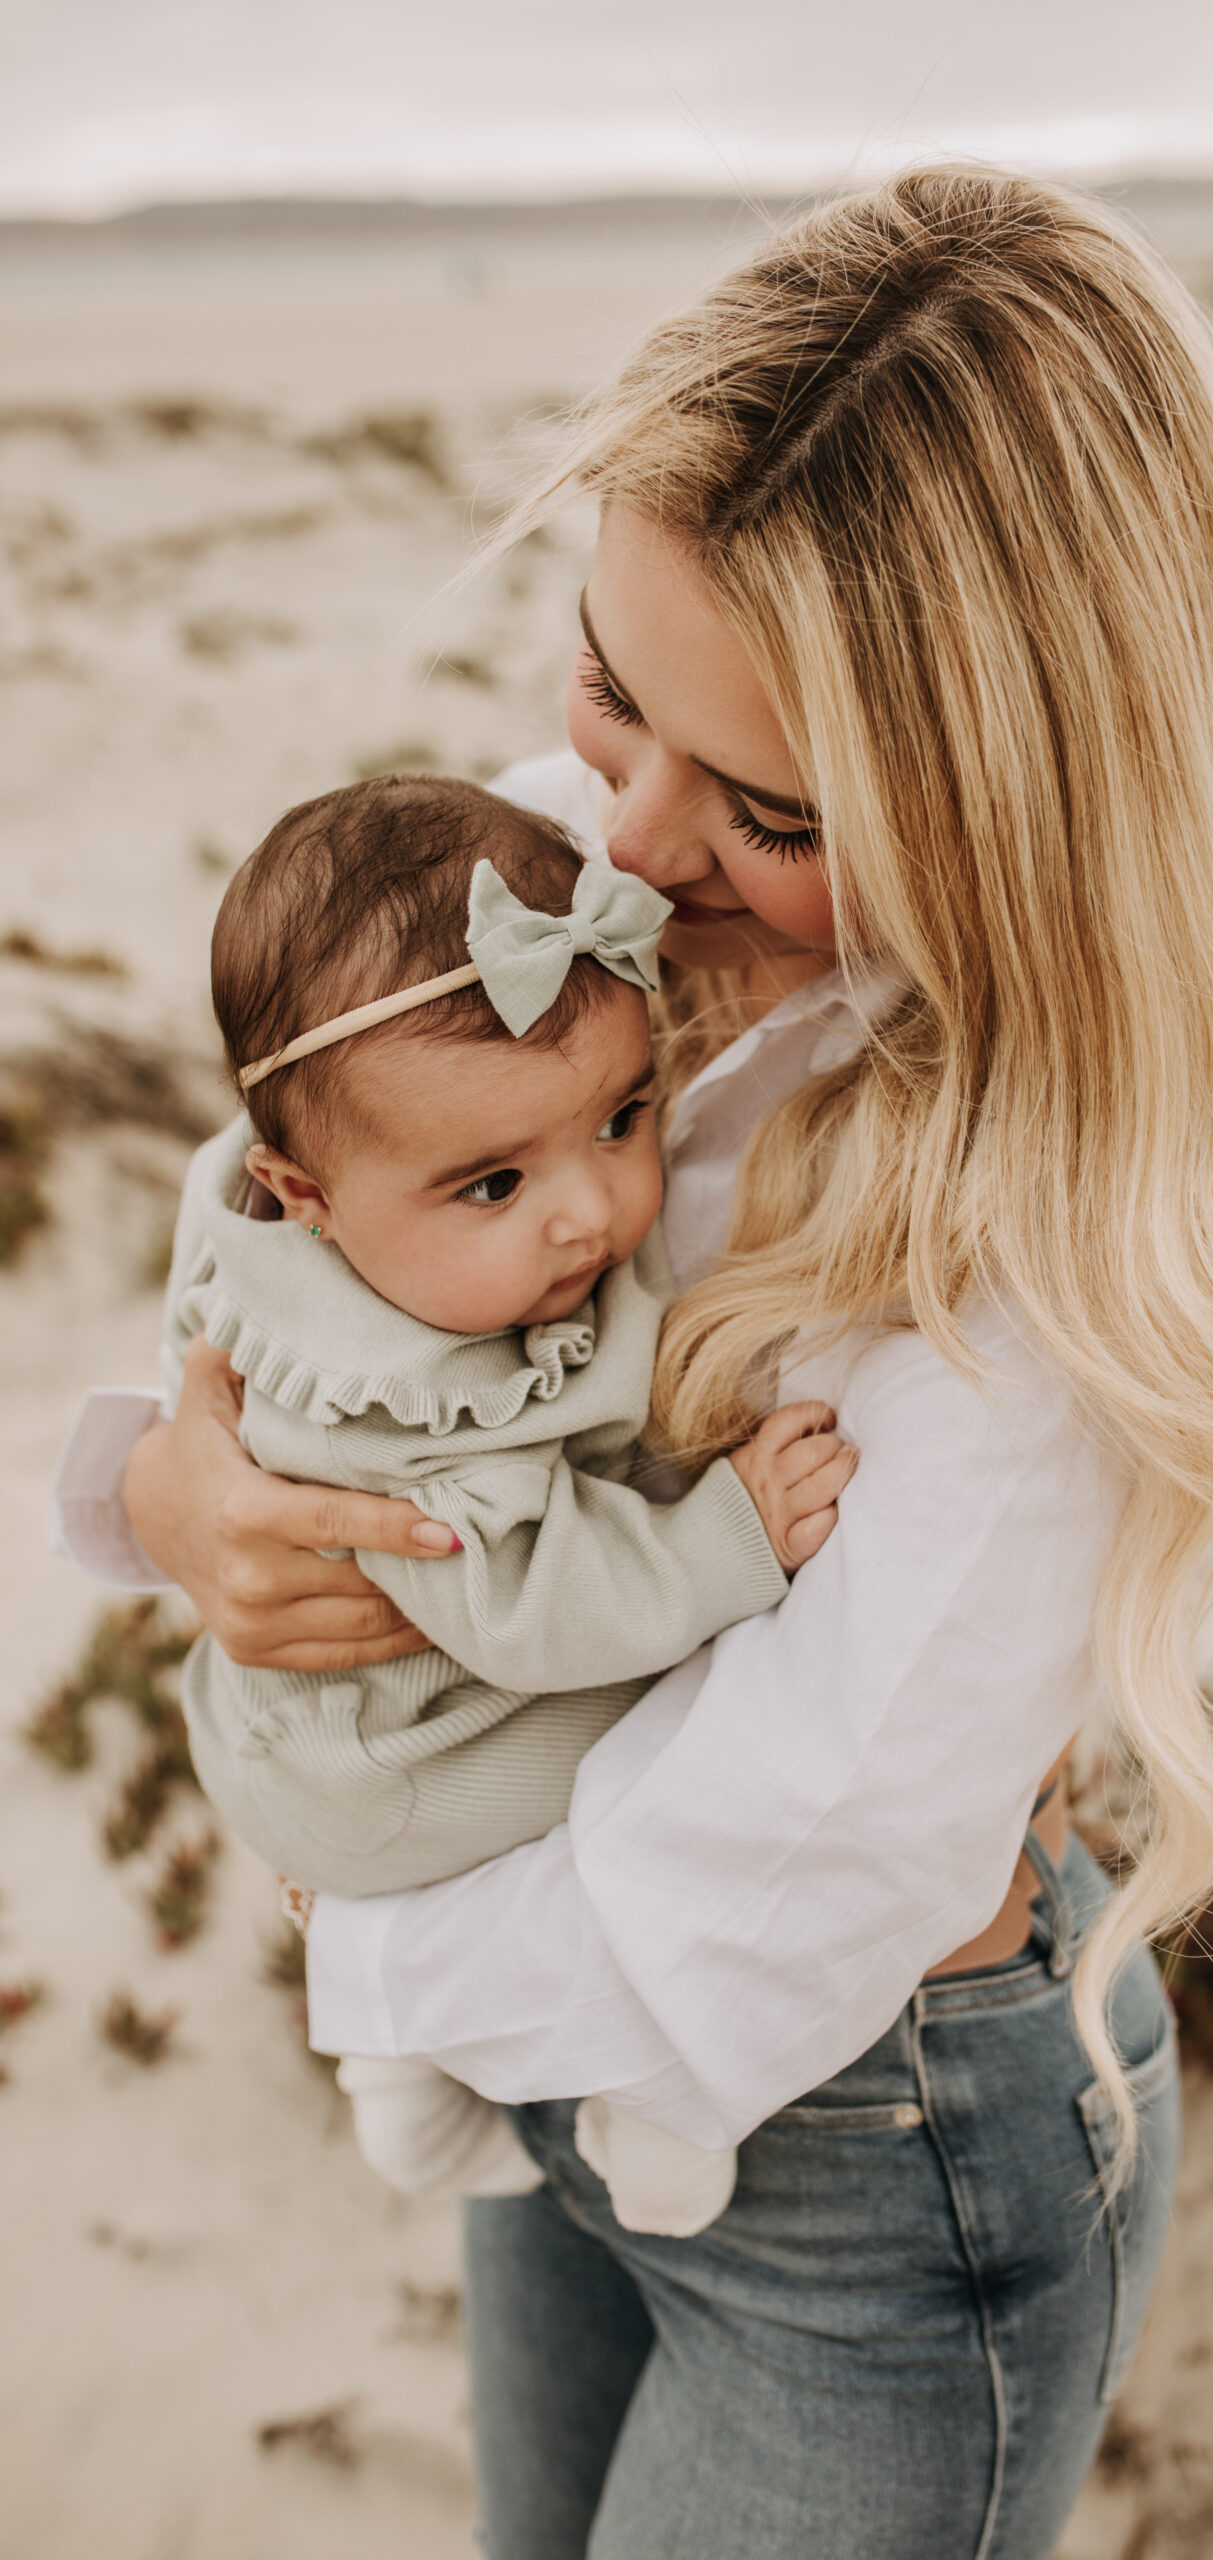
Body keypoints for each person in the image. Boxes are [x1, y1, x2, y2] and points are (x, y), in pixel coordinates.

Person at [58, 166, 1213, 2557]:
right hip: (543, 2050)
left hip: (861, 2154)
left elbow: (808, 1831)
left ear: (1017, 818)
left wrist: (374, 1930)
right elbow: (300, 1157)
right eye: (603, 682)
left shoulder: (1036, 1208)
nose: (619, 833)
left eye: (769, 809)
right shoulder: (609, 849)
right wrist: (170, 1489)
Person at [166, 772, 851, 2224]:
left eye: (622, 1118)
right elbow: (541, 1607)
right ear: (306, 1196)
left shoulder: (329, 1224)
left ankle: (396, 2070)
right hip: (407, 1758)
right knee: (661, 1727)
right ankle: (642, 2090)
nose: (587, 1211)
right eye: (492, 1185)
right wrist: (723, 1538)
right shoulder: (399, 1410)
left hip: (303, 1734)